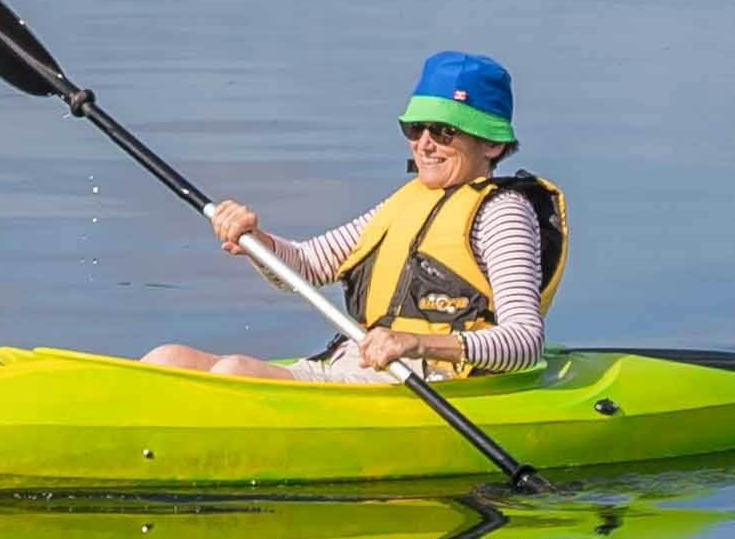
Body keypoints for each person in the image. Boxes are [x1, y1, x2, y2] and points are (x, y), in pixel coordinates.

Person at [139, 52, 567, 383]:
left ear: (492, 144)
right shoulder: (407, 201)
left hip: (428, 385)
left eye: (445, 132)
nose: (425, 145)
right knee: (167, 358)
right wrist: (256, 241)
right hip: (355, 369)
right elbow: (306, 267)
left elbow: (525, 343)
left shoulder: (502, 213)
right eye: (415, 129)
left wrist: (414, 342)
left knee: (234, 372)